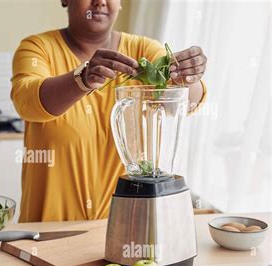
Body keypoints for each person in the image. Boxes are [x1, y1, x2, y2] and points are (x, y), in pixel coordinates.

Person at [11, 0, 207, 222]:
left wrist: (188, 77)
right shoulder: (37, 48)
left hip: (128, 228)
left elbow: (189, 103)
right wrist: (82, 79)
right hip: (48, 230)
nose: (100, 2)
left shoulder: (144, 51)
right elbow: (27, 101)